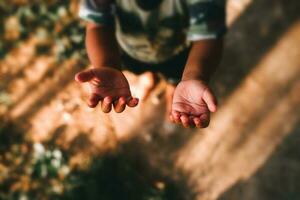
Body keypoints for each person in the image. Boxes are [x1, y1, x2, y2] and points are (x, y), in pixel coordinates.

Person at [75, 0, 226, 128]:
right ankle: (150, 77)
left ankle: (173, 86)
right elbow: (96, 25)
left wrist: (193, 76)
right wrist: (107, 65)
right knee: (137, 68)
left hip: (177, 53)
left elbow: (208, 37)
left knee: (175, 73)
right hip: (132, 52)